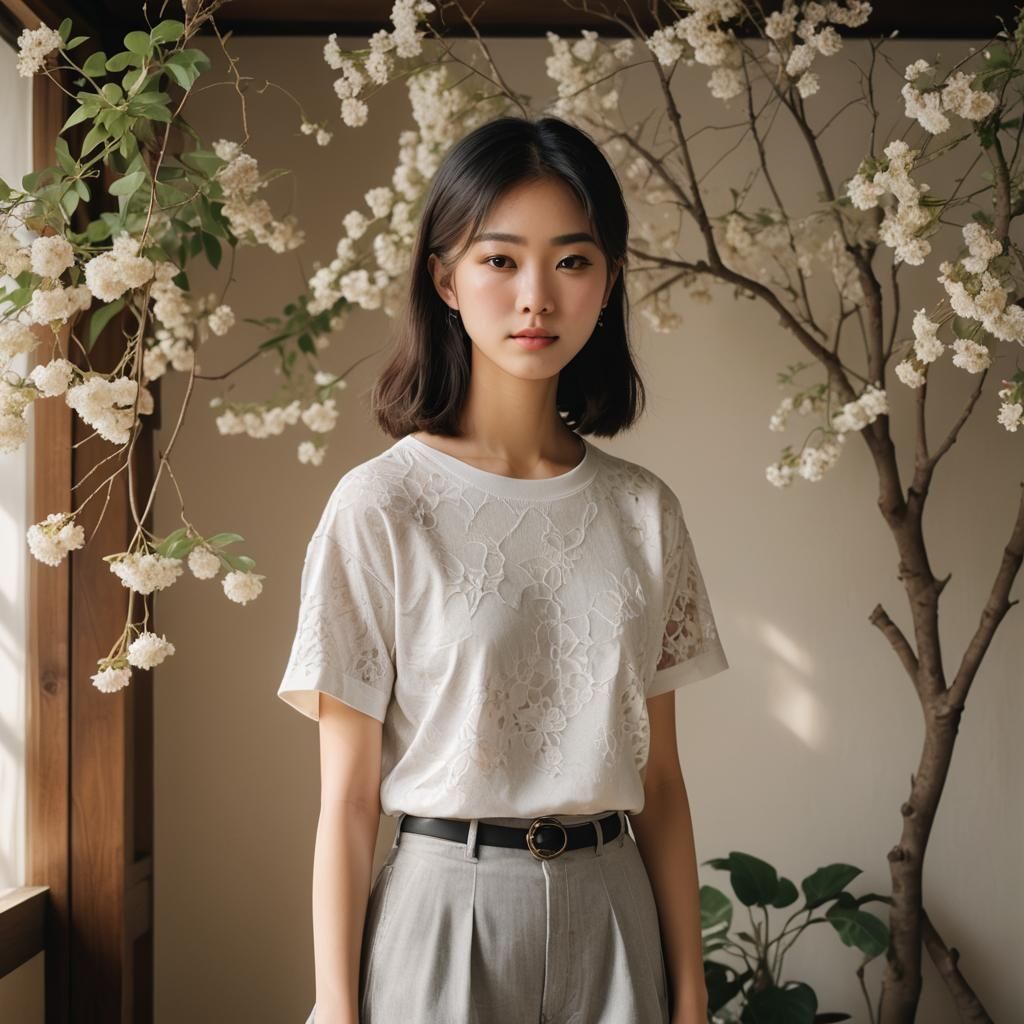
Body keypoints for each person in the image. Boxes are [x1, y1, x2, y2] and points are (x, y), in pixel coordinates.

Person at [277, 114, 730, 1024]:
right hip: (446, 910)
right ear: (444, 277)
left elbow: (665, 784)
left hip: (616, 909)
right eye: (499, 260)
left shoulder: (644, 510)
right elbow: (349, 799)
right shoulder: (380, 507)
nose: (537, 296)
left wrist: (690, 994)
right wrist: (335, 1003)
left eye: (572, 260)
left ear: (607, 282)